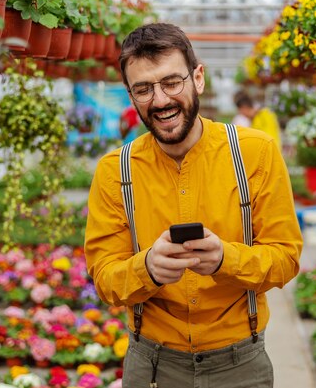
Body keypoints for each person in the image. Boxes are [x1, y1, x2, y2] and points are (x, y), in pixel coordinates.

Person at [84, 23, 302, 388]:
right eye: (143, 89)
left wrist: (224, 260)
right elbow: (104, 277)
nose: (160, 100)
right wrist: (147, 268)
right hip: (151, 366)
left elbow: (286, 258)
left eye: (172, 82)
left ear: (197, 78)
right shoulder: (114, 171)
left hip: (239, 366)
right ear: (131, 95)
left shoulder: (254, 153)